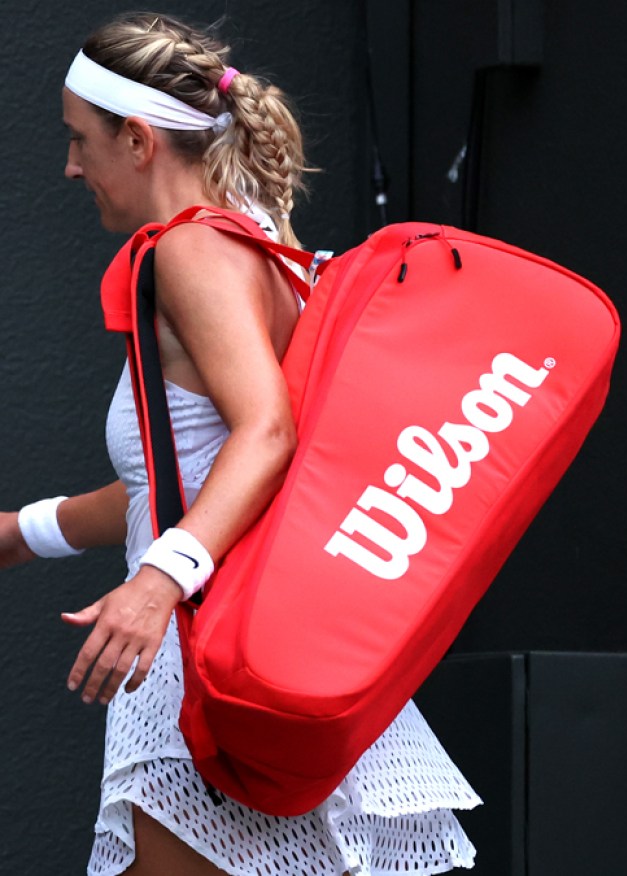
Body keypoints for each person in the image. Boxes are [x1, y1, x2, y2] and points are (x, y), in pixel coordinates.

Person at [0, 13, 479, 875]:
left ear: (138, 141)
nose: (72, 167)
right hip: (280, 666)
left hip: (205, 663)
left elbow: (267, 435)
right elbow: (178, 478)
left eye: (80, 141)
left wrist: (157, 580)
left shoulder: (189, 250)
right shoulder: (261, 251)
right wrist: (26, 533)